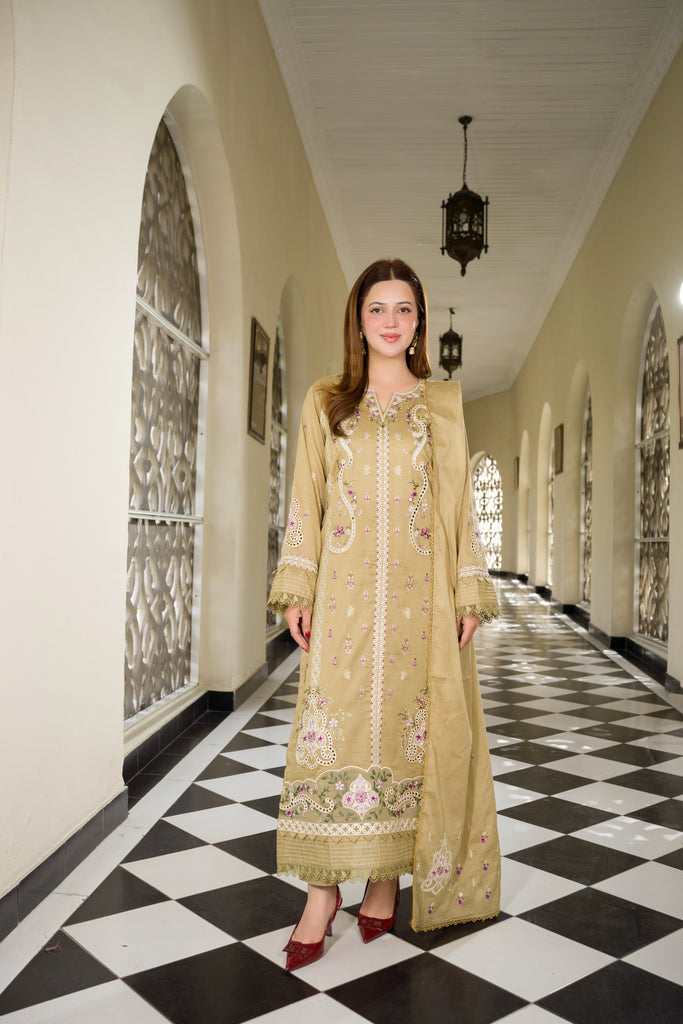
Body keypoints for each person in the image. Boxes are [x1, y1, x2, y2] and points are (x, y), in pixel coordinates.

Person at [268, 258, 500, 972]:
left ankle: (382, 880)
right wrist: (298, 588)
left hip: (417, 606)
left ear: (420, 321)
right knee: (330, 735)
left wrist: (467, 591)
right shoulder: (326, 400)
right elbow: (306, 497)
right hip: (342, 600)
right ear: (358, 320)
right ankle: (320, 894)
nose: (391, 321)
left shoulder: (442, 406)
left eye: (404, 309)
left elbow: (458, 507)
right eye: (377, 308)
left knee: (407, 738)